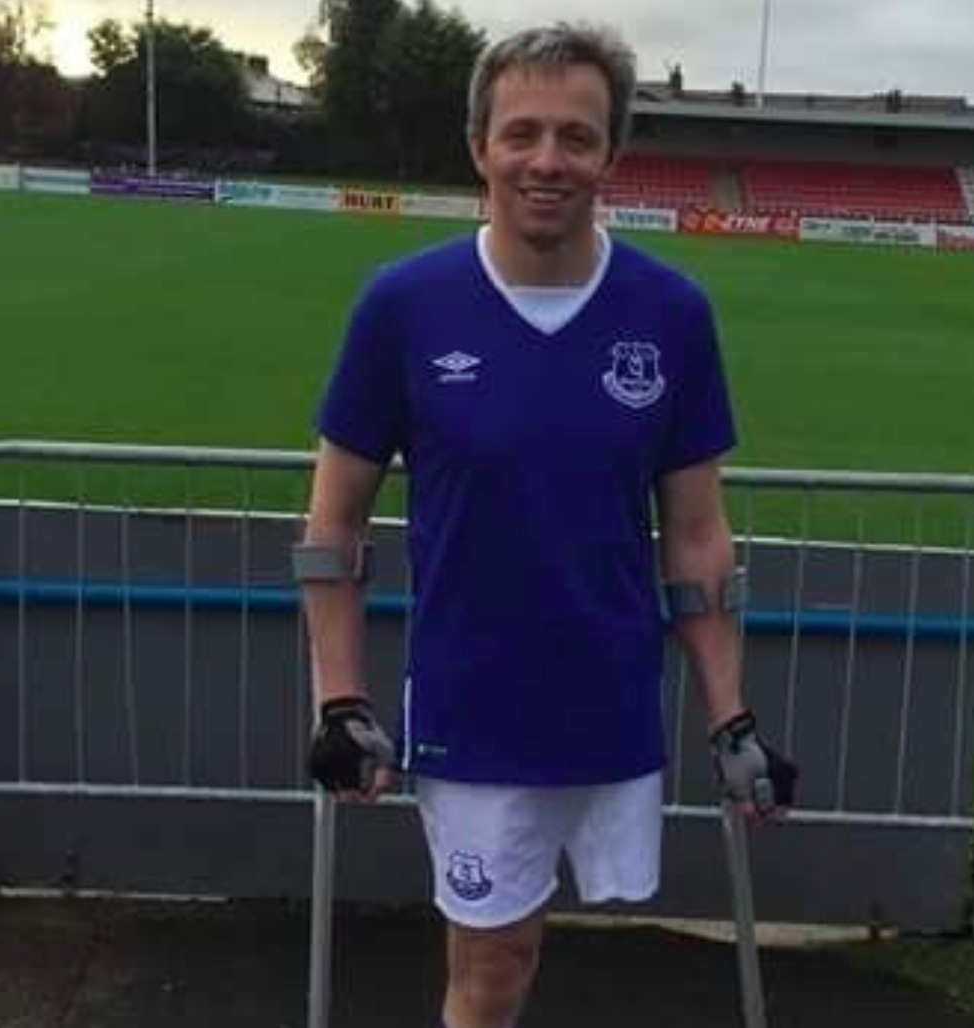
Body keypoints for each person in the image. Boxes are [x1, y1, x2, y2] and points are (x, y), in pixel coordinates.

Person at [294, 23, 797, 1028]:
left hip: (611, 700)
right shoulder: (403, 305)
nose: (547, 160)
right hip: (470, 706)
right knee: (493, 962)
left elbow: (696, 538)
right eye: (521, 132)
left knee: (595, 951)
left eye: (577, 136)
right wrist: (339, 698)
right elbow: (331, 526)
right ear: (479, 146)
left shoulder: (672, 312)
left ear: (612, 154)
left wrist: (730, 716)